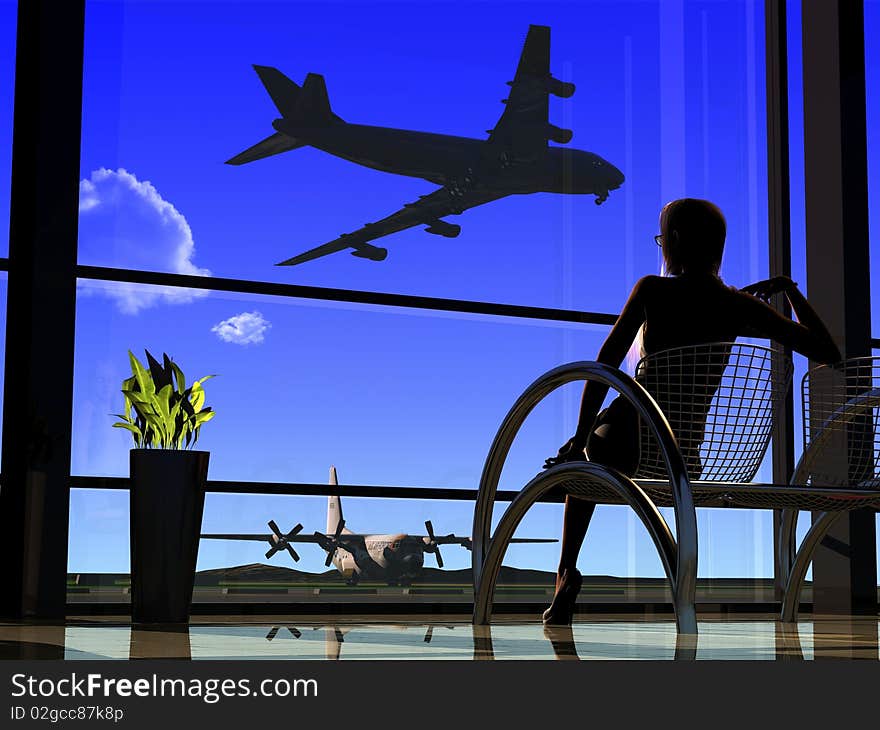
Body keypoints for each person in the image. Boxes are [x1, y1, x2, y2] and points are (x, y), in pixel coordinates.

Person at [541, 197, 841, 625]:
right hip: (684, 457)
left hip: (628, 441)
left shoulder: (652, 290)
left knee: (584, 456)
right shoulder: (738, 305)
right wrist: (789, 290)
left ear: (675, 241)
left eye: (663, 239)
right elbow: (829, 351)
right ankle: (576, 461)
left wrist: (581, 433)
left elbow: (603, 365)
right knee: (588, 453)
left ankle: (565, 571)